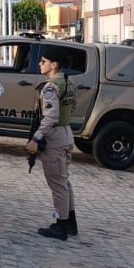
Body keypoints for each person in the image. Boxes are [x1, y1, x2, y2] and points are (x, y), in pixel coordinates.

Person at [26, 45, 78, 240]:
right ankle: (70, 223)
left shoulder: (50, 87)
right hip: (66, 134)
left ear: (53, 64)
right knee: (64, 182)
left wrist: (36, 138)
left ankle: (61, 225)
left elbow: (50, 117)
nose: (40, 64)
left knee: (57, 184)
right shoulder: (68, 82)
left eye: (43, 61)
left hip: (55, 138)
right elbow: (73, 105)